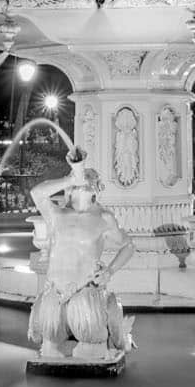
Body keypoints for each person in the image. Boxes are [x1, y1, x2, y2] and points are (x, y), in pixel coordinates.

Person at [27, 149, 135, 359]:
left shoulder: (104, 217)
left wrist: (110, 271)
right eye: (80, 178)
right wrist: (68, 178)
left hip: (84, 294)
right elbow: (37, 193)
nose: (82, 180)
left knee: (90, 349)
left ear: (95, 188)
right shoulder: (57, 214)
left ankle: (114, 336)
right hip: (55, 293)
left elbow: (128, 245)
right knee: (50, 349)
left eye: (88, 177)